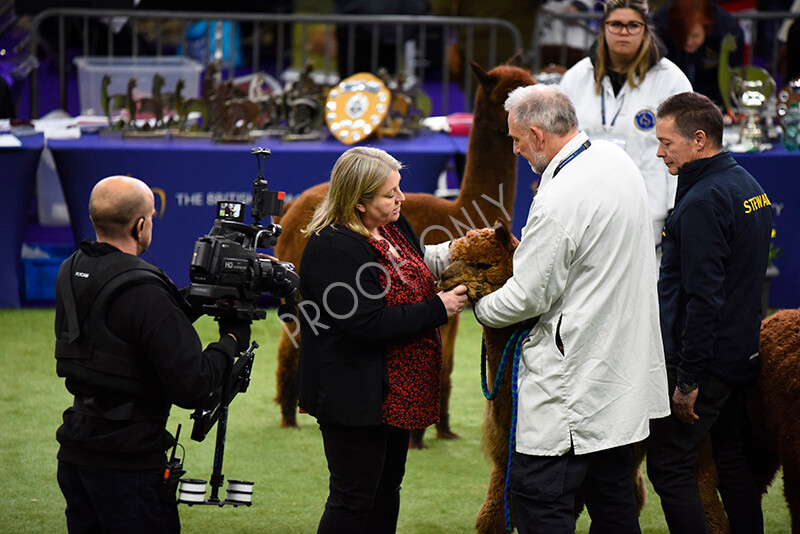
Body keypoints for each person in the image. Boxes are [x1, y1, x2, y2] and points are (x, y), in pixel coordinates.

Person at [467, 84, 669, 533]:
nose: (516, 150)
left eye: (517, 140)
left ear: (538, 135)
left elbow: (528, 295)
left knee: (539, 505)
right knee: (615, 508)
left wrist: (479, 307)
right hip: (621, 385)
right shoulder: (616, 160)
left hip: (571, 390)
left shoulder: (559, 198)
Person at [54, 175, 251, 534]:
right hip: (128, 465)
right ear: (140, 225)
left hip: (76, 452)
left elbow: (121, 331)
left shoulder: (72, 269)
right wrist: (232, 341)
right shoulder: (144, 287)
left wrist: (195, 298)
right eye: (152, 218)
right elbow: (193, 387)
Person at [296, 146, 468, 534]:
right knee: (353, 497)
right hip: (354, 396)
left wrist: (462, 252)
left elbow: (417, 266)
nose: (401, 199)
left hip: (395, 394)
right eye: (391, 194)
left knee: (387, 489)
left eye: (399, 189)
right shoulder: (333, 246)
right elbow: (366, 322)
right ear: (358, 202)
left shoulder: (392, 224)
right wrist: (438, 309)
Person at [647, 91, 771, 534]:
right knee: (730, 456)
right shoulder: (748, 186)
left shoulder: (702, 201)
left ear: (699, 140)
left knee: (669, 467)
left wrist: (687, 380)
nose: (659, 152)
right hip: (742, 355)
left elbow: (704, 299)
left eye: (666, 142)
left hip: (707, 365)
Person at [559, 0, 692, 246]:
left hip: (646, 208)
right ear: (603, 28)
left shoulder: (671, 80)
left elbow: (686, 148)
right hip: (585, 206)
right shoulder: (576, 77)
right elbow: (559, 142)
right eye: (616, 24)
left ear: (646, 29)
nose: (623, 31)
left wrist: (677, 205)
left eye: (633, 25)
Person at [653, 0, 745, 108]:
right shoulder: (660, 25)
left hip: (712, 98)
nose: (689, 42)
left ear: (706, 27)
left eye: (695, 35)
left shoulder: (728, 31)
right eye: (683, 35)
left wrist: (726, 108)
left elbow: (731, 78)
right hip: (669, 98)